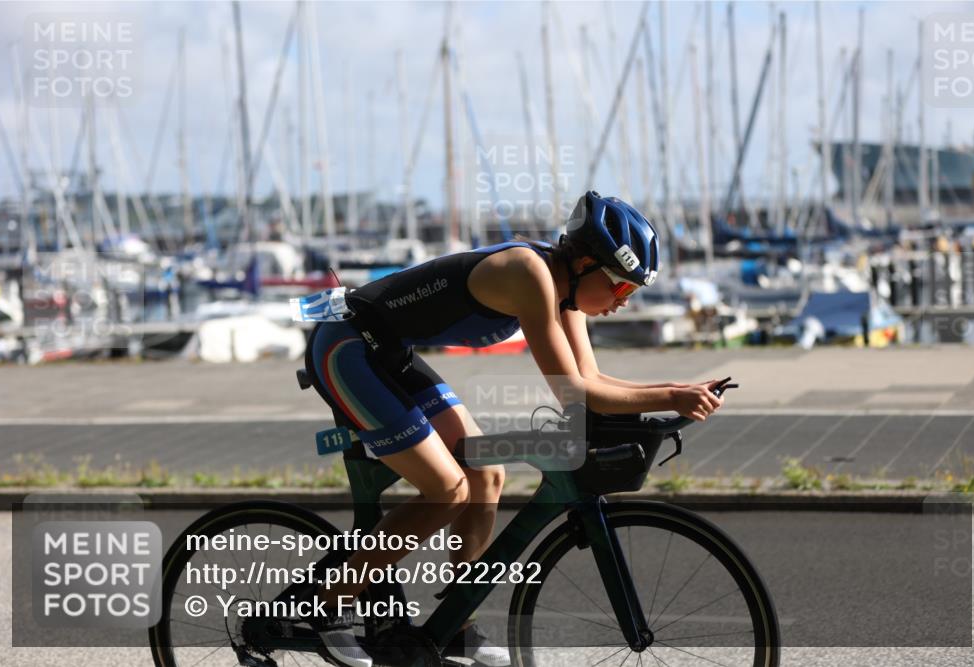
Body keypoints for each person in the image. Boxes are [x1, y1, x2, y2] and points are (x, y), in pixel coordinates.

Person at [302, 191, 725, 667]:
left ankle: (455, 626)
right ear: (586, 262)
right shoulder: (530, 274)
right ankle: (326, 603)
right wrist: (672, 396)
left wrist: (677, 389)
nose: (622, 303)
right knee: (447, 490)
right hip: (346, 349)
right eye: (621, 289)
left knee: (487, 474)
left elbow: (592, 379)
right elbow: (577, 394)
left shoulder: (566, 289)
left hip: (388, 353)